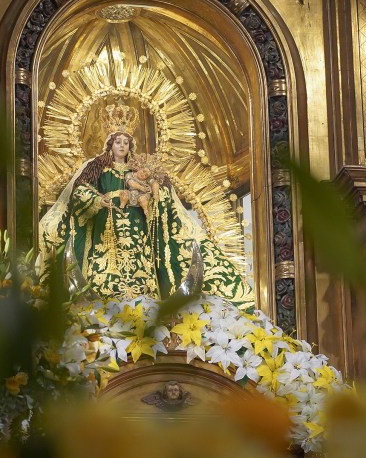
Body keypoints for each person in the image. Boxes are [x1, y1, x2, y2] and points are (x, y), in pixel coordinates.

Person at [39, 103, 255, 310]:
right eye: (118, 141)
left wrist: (153, 193)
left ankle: (145, 302)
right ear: (110, 144)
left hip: (138, 226)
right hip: (106, 226)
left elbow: (162, 193)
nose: (122, 145)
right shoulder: (97, 167)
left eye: (126, 142)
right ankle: (102, 301)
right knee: (106, 265)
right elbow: (80, 192)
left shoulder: (141, 168)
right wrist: (99, 200)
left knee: (140, 264)